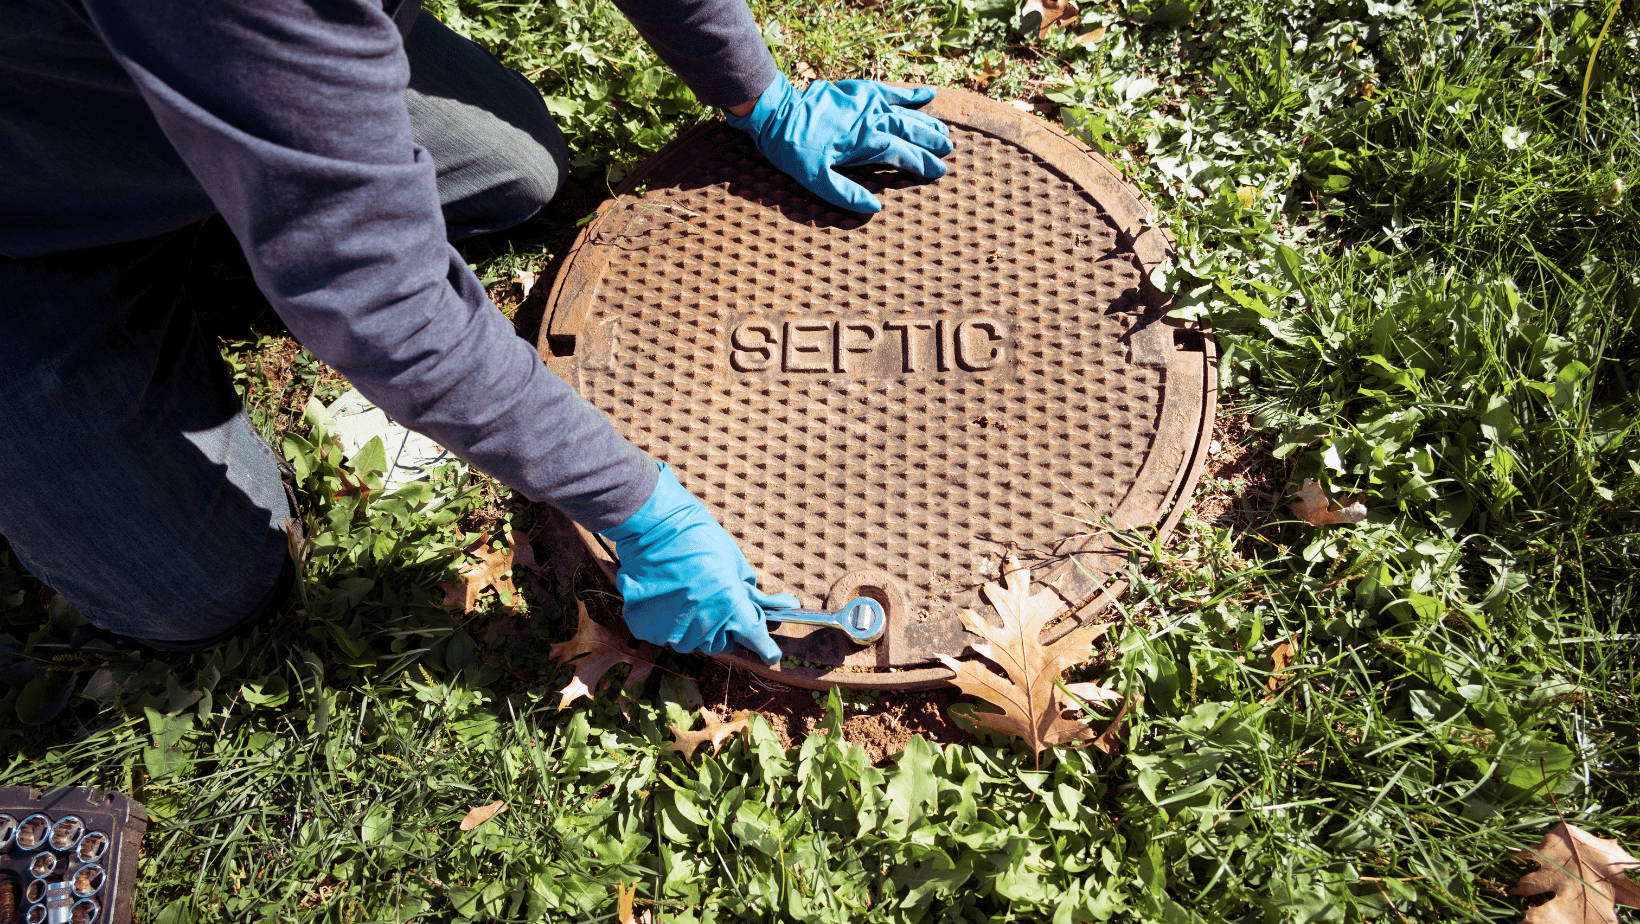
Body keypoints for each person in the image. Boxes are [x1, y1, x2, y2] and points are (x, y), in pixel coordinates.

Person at [0, 0, 952, 664]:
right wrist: (635, 505)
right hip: (34, 206)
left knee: (517, 171)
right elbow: (381, 297)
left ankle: (268, 165)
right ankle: (247, 196)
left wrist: (759, 93)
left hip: (212, 51)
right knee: (194, 588)